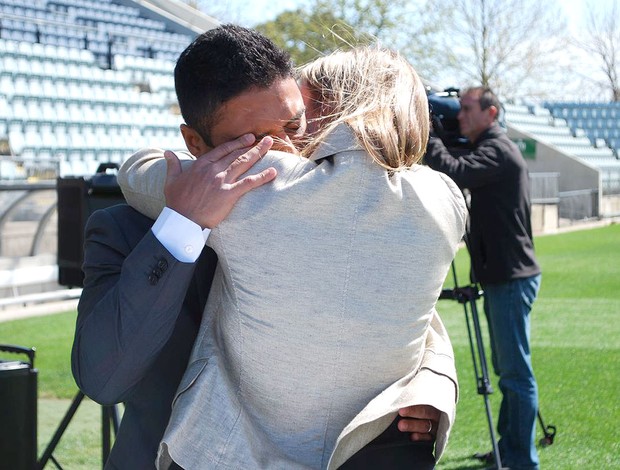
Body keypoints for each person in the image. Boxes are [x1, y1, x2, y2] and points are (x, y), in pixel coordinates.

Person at [72, 25, 456, 469]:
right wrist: (182, 226)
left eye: (296, 125)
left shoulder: (339, 217)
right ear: (195, 144)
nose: (287, 150)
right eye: (256, 142)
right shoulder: (127, 229)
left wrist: (431, 380)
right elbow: (103, 378)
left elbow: (403, 312)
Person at [424, 86, 542, 470]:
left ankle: (521, 460)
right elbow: (458, 162)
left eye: (467, 109)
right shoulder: (490, 148)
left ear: (491, 114)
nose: (459, 116)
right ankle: (509, 450)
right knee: (508, 370)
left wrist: (427, 133)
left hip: (509, 277)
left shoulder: (499, 149)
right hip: (503, 276)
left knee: (515, 374)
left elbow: (453, 171)